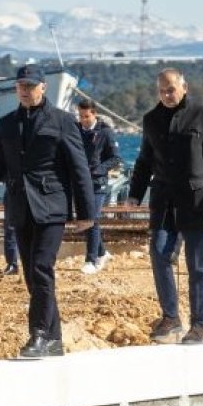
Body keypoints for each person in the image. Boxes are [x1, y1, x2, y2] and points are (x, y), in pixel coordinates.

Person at [0, 65, 94, 359]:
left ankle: (39, 335)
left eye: (30, 85)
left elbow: (79, 168)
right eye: (20, 86)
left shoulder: (63, 121)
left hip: (52, 207)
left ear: (43, 87)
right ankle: (55, 340)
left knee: (41, 267)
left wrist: (86, 212)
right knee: (32, 275)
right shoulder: (7, 124)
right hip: (20, 207)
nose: (25, 90)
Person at [127, 69, 203, 346]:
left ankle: (199, 325)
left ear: (184, 88)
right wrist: (134, 194)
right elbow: (144, 160)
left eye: (171, 90)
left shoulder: (202, 114)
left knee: (197, 266)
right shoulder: (151, 119)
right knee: (160, 253)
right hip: (163, 200)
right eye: (162, 91)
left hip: (196, 201)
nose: (167, 95)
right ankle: (171, 317)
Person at [76, 99, 122, 274]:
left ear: (94, 114)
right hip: (80, 183)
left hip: (98, 183)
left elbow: (116, 158)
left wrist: (98, 170)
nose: (83, 120)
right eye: (80, 116)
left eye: (86, 116)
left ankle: (91, 259)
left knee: (91, 219)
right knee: (86, 220)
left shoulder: (106, 133)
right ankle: (102, 252)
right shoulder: (76, 130)